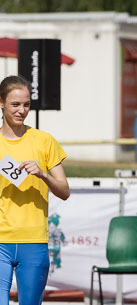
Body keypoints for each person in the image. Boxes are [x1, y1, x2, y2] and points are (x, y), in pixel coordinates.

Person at [0, 75, 70, 305]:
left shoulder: (44, 141)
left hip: (34, 241)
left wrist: (43, 174)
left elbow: (64, 191)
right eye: (15, 104)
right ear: (1, 103)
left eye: (27, 104)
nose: (22, 110)